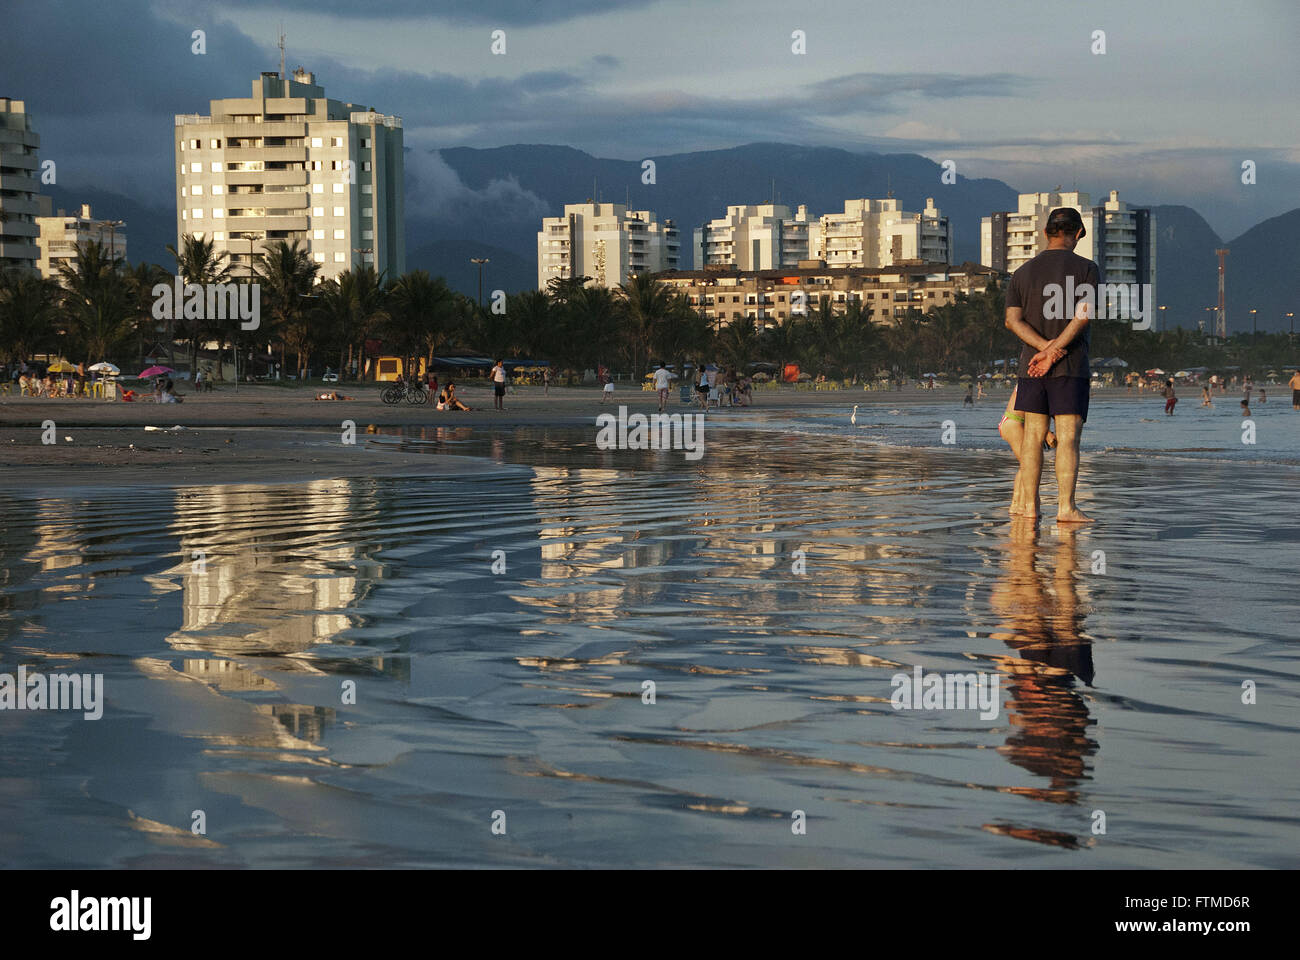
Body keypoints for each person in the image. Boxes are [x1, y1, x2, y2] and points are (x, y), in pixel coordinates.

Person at [1003, 206, 1097, 524]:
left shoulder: (1022, 273)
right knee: (1068, 437)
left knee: (1032, 437)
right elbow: (1083, 315)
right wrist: (1056, 351)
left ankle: (1029, 506)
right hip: (1070, 366)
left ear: (1046, 233)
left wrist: (1042, 350)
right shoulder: (1087, 268)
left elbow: (1011, 320)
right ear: (1079, 233)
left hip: (1030, 367)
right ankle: (1066, 508)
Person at [998, 385, 1058, 517]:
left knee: (1025, 465)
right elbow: (1030, 406)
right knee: (1029, 465)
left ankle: (1017, 503)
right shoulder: (1029, 383)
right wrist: (1047, 433)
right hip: (1015, 422)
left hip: (1014, 421)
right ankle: (1017, 504)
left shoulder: (1029, 382)